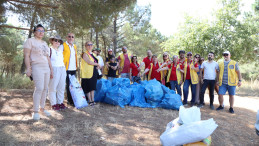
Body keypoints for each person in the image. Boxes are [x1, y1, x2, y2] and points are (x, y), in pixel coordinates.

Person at [23, 24, 53, 120]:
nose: (41, 32)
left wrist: (51, 69)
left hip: (46, 68)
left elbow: (48, 57)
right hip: (36, 66)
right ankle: (35, 111)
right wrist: (28, 68)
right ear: (35, 32)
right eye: (39, 30)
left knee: (45, 89)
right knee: (39, 88)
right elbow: (26, 56)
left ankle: (42, 109)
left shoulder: (45, 43)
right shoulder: (30, 41)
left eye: (43, 31)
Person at [48, 35, 67, 110]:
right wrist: (51, 71)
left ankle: (60, 102)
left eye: (59, 41)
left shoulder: (60, 51)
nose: (57, 42)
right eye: (55, 40)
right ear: (52, 41)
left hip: (62, 68)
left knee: (61, 87)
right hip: (54, 69)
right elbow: (48, 61)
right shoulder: (49, 49)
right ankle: (53, 104)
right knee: (52, 87)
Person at [59, 33, 78, 107]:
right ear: (67, 37)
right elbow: (59, 55)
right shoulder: (62, 45)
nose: (71, 38)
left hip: (74, 68)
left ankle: (73, 99)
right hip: (66, 68)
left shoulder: (74, 46)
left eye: (72, 37)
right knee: (68, 85)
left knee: (73, 85)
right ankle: (69, 101)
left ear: (74, 38)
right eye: (69, 36)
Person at [80, 41, 100, 106]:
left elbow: (96, 62)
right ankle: (90, 100)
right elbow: (89, 62)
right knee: (88, 87)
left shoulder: (94, 54)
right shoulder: (84, 54)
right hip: (87, 73)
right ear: (85, 46)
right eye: (88, 45)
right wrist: (97, 64)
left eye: (91, 45)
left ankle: (93, 99)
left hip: (94, 72)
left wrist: (98, 66)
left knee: (93, 87)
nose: (90, 46)